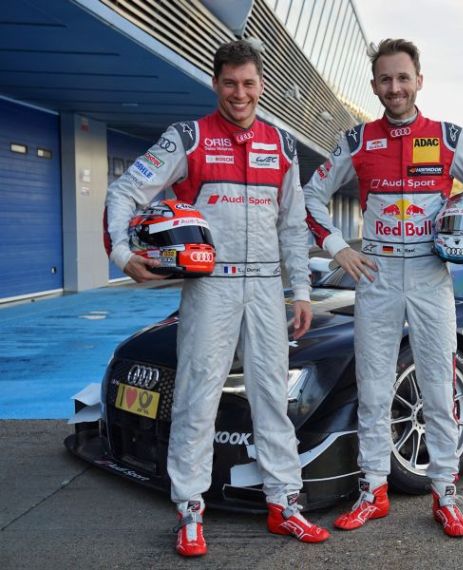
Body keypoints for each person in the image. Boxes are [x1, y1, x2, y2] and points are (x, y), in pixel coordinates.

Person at [104, 39, 329, 556]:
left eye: (249, 83)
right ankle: (189, 510)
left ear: (262, 85)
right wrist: (121, 254)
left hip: (268, 289)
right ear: (215, 84)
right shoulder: (188, 138)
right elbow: (124, 192)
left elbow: (294, 226)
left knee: (273, 396)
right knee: (197, 396)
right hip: (211, 287)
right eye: (230, 83)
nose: (240, 93)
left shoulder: (284, 145)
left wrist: (300, 292)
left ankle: (284, 503)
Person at [303, 38, 463, 538]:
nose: (394, 87)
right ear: (375, 85)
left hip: (428, 276)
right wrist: (338, 247)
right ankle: (372, 491)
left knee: (439, 390)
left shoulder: (447, 137)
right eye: (385, 79)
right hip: (376, 276)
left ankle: (445, 493)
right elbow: (311, 194)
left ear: (419, 80)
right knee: (375, 390)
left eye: (403, 78)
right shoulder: (357, 140)